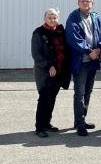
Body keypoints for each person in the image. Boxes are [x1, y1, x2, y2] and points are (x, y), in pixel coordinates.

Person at [66, 0, 101, 136]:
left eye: (88, 1)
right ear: (78, 3)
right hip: (81, 61)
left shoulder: (96, 18)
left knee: (88, 92)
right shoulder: (73, 18)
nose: (85, 3)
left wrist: (99, 49)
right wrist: (89, 50)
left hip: (93, 61)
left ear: (92, 3)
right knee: (79, 93)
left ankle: (80, 120)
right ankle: (80, 124)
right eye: (83, 1)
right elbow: (74, 39)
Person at [31, 8, 71, 138]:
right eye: (50, 17)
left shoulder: (60, 31)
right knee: (44, 99)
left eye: (55, 17)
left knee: (52, 98)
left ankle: (47, 123)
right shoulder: (38, 33)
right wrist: (49, 66)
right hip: (45, 73)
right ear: (45, 18)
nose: (52, 20)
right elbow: (37, 55)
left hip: (59, 72)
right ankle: (39, 127)